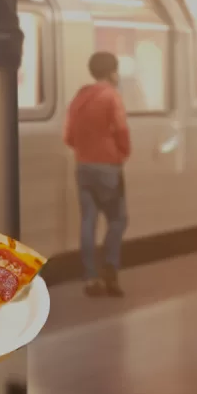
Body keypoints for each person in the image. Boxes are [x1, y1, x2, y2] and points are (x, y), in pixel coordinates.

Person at [63, 51, 131, 298]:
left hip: (83, 167)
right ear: (112, 72)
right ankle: (110, 267)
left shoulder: (79, 97)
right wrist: (122, 152)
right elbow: (121, 130)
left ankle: (91, 277)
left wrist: (85, 150)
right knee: (118, 219)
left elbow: (68, 136)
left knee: (88, 221)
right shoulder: (111, 96)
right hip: (108, 167)